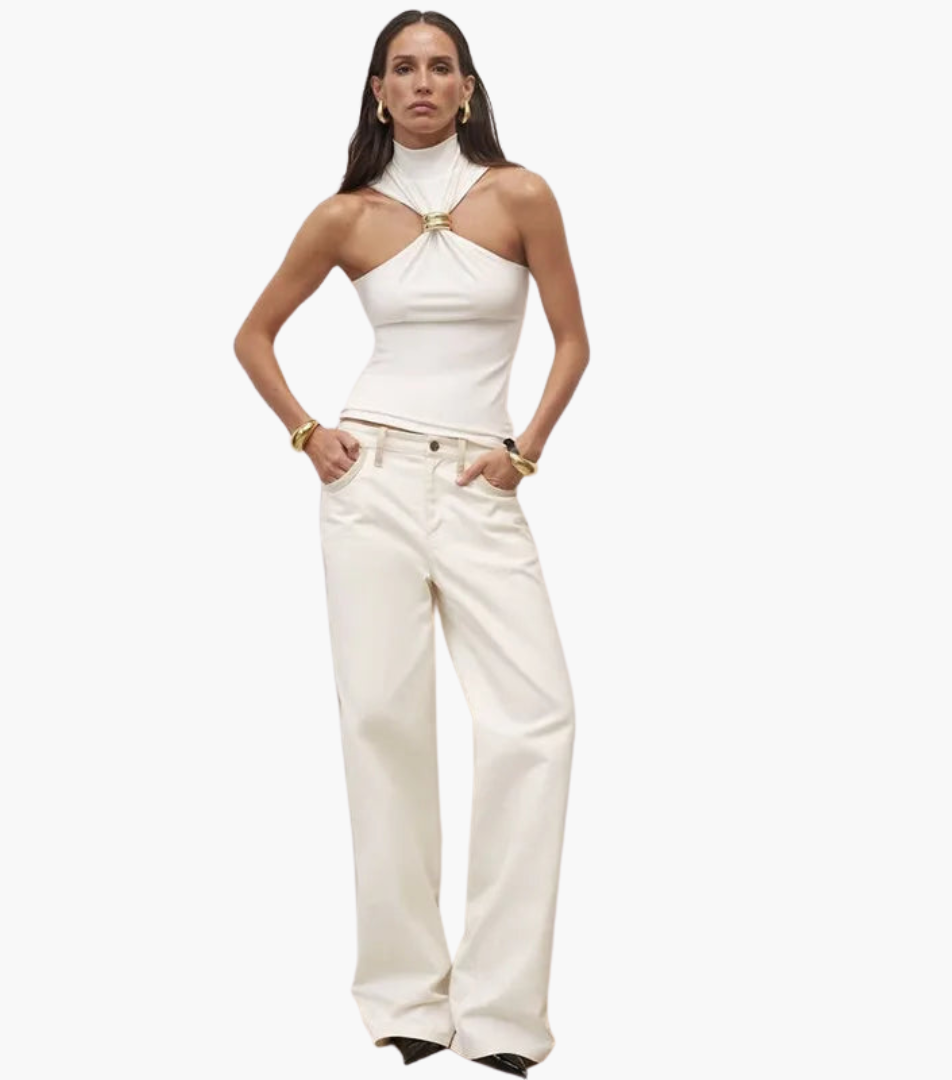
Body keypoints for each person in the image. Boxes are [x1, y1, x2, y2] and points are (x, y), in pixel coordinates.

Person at [233, 12, 589, 1077]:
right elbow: (252, 334)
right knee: (382, 723)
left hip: (480, 479)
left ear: (468, 89)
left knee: (534, 719)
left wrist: (524, 452)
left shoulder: (520, 194)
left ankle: (503, 1014)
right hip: (371, 478)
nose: (423, 81)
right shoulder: (346, 215)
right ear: (378, 92)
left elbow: (574, 340)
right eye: (404, 68)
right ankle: (406, 1003)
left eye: (441, 66)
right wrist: (308, 434)